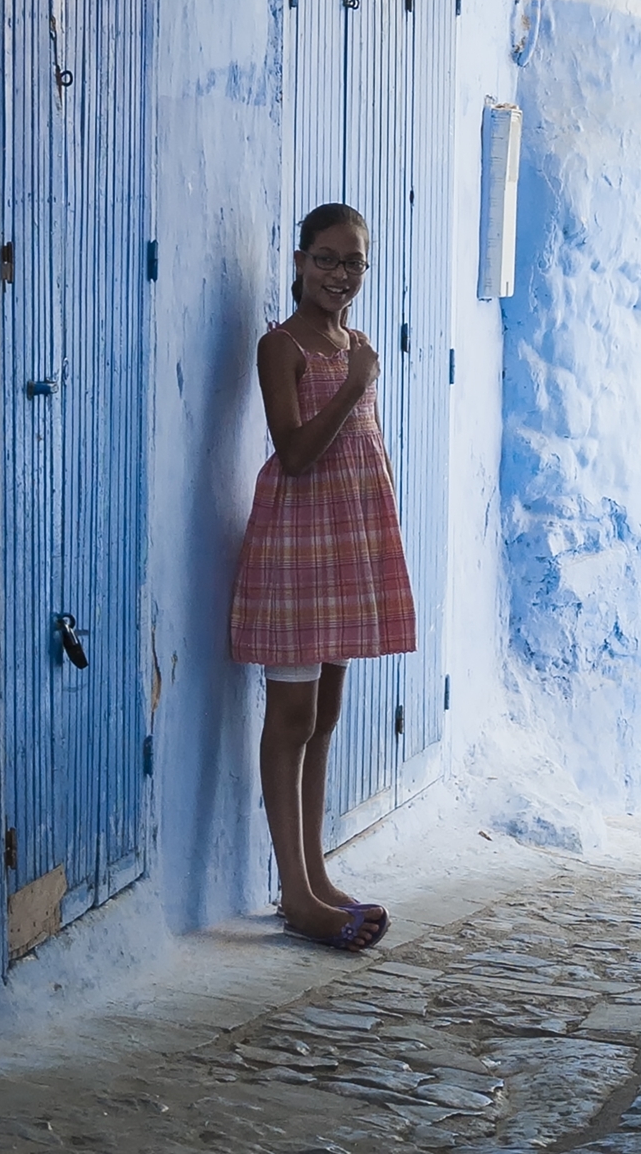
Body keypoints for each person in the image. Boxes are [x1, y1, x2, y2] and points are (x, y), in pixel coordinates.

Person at [230, 203, 416, 952]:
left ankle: (313, 876)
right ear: (301, 261)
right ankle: (295, 893)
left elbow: (365, 448)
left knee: (326, 715)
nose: (341, 274)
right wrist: (352, 383)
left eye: (354, 262)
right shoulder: (281, 345)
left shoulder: (356, 343)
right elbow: (296, 452)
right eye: (328, 259)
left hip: (346, 547)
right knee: (291, 718)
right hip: (297, 546)